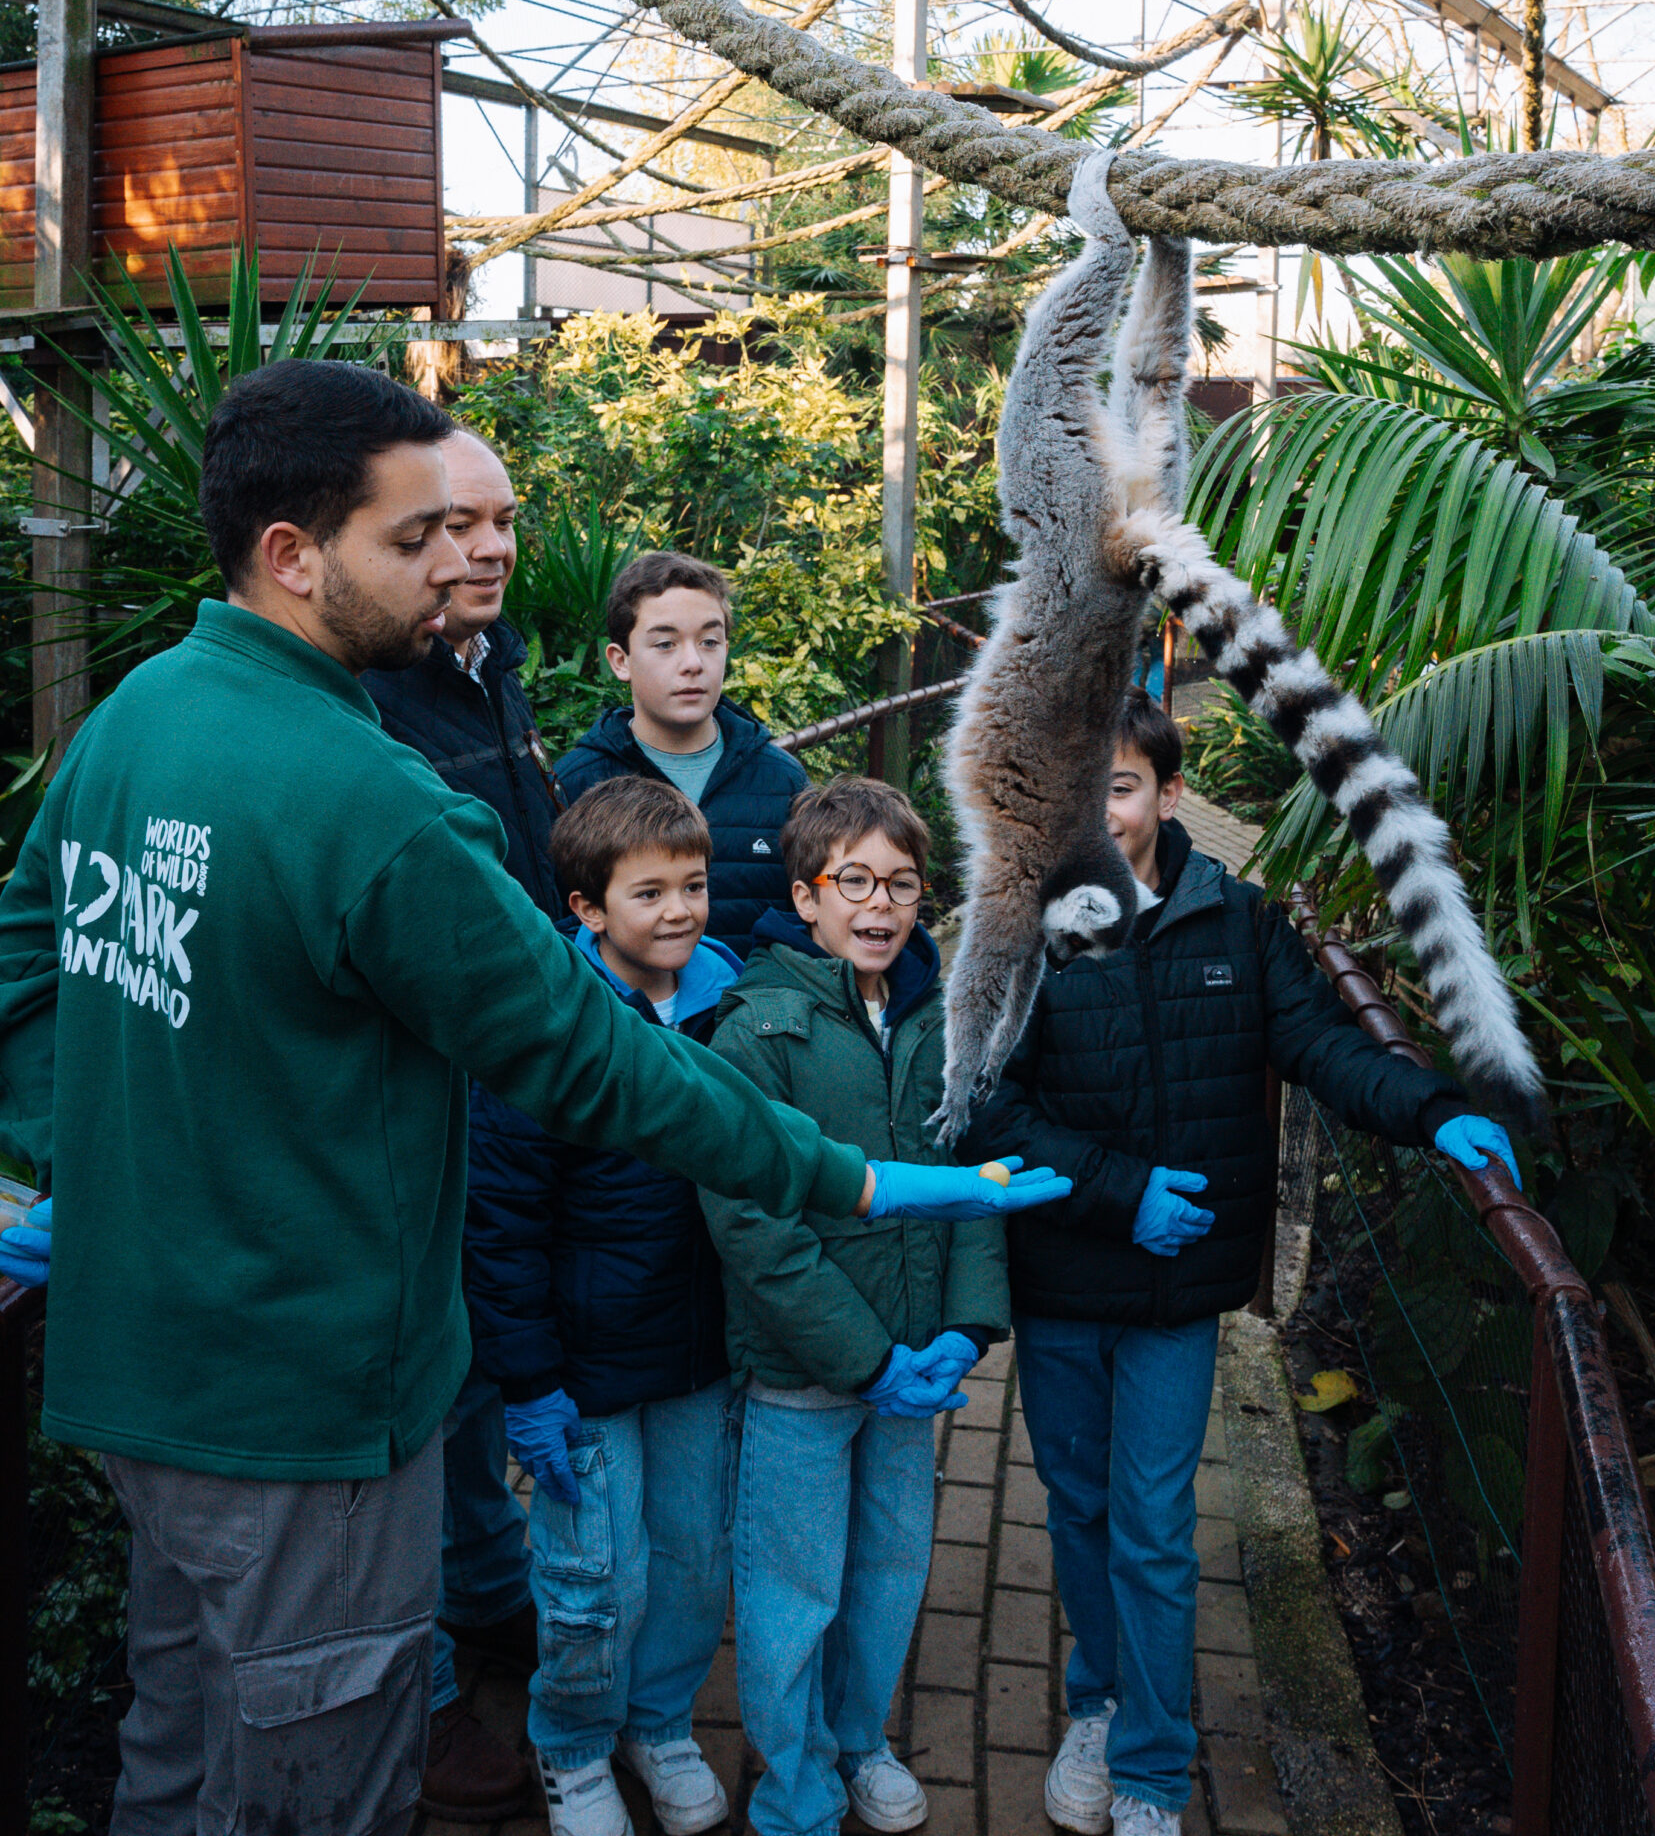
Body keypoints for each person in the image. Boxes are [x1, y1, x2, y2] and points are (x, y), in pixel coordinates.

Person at [0, 361, 1068, 1836]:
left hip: (144, 1377)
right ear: (291, 555)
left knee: (180, 1749)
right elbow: (594, 1055)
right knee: (310, 1784)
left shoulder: (141, 713)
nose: (454, 565)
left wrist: (85, 1160)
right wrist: (851, 1179)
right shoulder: (369, 800)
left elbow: (27, 948)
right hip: (306, 1409)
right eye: (412, 535)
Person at [961, 689, 1522, 1836]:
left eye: (1115, 785)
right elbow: (981, 1109)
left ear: (1171, 794)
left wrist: (1429, 1109)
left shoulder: (1239, 919)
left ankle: (1155, 1769)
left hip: (1177, 1292)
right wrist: (1123, 1192)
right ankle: (1098, 1701)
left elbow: (1317, 1040)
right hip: (1067, 1274)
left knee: (1155, 1525)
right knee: (1078, 1507)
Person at [702, 775, 1064, 1836]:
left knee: (893, 1566)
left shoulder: (940, 1016)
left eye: (901, 883)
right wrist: (863, 1356)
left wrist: (963, 1324)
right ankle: (795, 1784)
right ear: (805, 896)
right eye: (851, 880)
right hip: (802, 1375)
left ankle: (863, 1740)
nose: (878, 904)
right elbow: (755, 1225)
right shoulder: (755, 1033)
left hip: (914, 1368)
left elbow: (973, 1171)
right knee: (791, 1588)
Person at [463, 777, 742, 1836]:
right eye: (650, 892)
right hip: (582, 1367)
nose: (679, 911)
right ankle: (572, 1741)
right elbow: (501, 1224)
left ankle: (657, 1720)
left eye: (695, 885)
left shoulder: (730, 999)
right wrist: (527, 1379)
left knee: (689, 1556)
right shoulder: (546, 1033)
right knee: (591, 1572)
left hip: (696, 1350)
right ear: (585, 908)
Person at [362, 426, 560, 1822]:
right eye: (453, 524)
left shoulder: (492, 675)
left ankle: (494, 1604)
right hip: (418, 1107)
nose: (484, 548)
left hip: (512, 1088)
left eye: (500, 519)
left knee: (482, 1360)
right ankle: (419, 1697)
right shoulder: (370, 696)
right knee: (423, 1381)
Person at [555, 551, 805, 960]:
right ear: (621, 660)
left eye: (709, 642)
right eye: (665, 644)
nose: (692, 663)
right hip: (630, 1019)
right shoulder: (576, 784)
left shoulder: (782, 781)